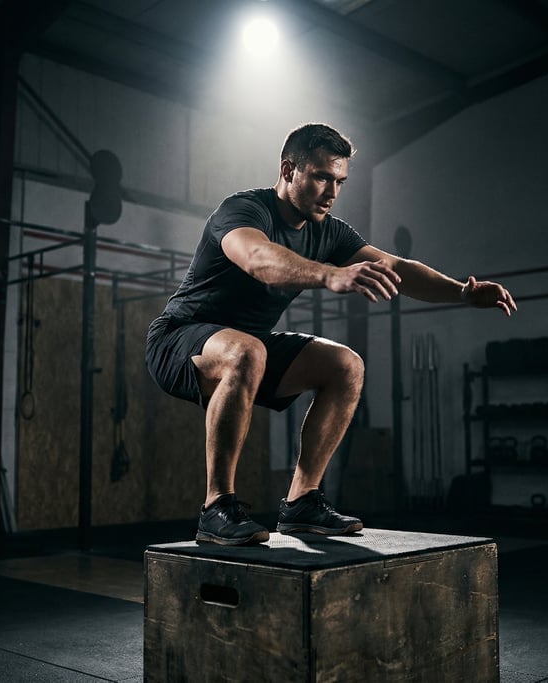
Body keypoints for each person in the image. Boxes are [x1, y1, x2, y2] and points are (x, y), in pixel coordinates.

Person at [146, 123, 516, 546]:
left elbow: (395, 268)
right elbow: (258, 259)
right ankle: (216, 509)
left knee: (345, 364)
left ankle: (301, 502)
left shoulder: (329, 232)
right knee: (246, 350)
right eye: (321, 176)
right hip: (178, 340)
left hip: (248, 349)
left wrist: (463, 293)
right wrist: (331, 274)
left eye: (339, 180)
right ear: (288, 170)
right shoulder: (244, 210)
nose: (332, 191)